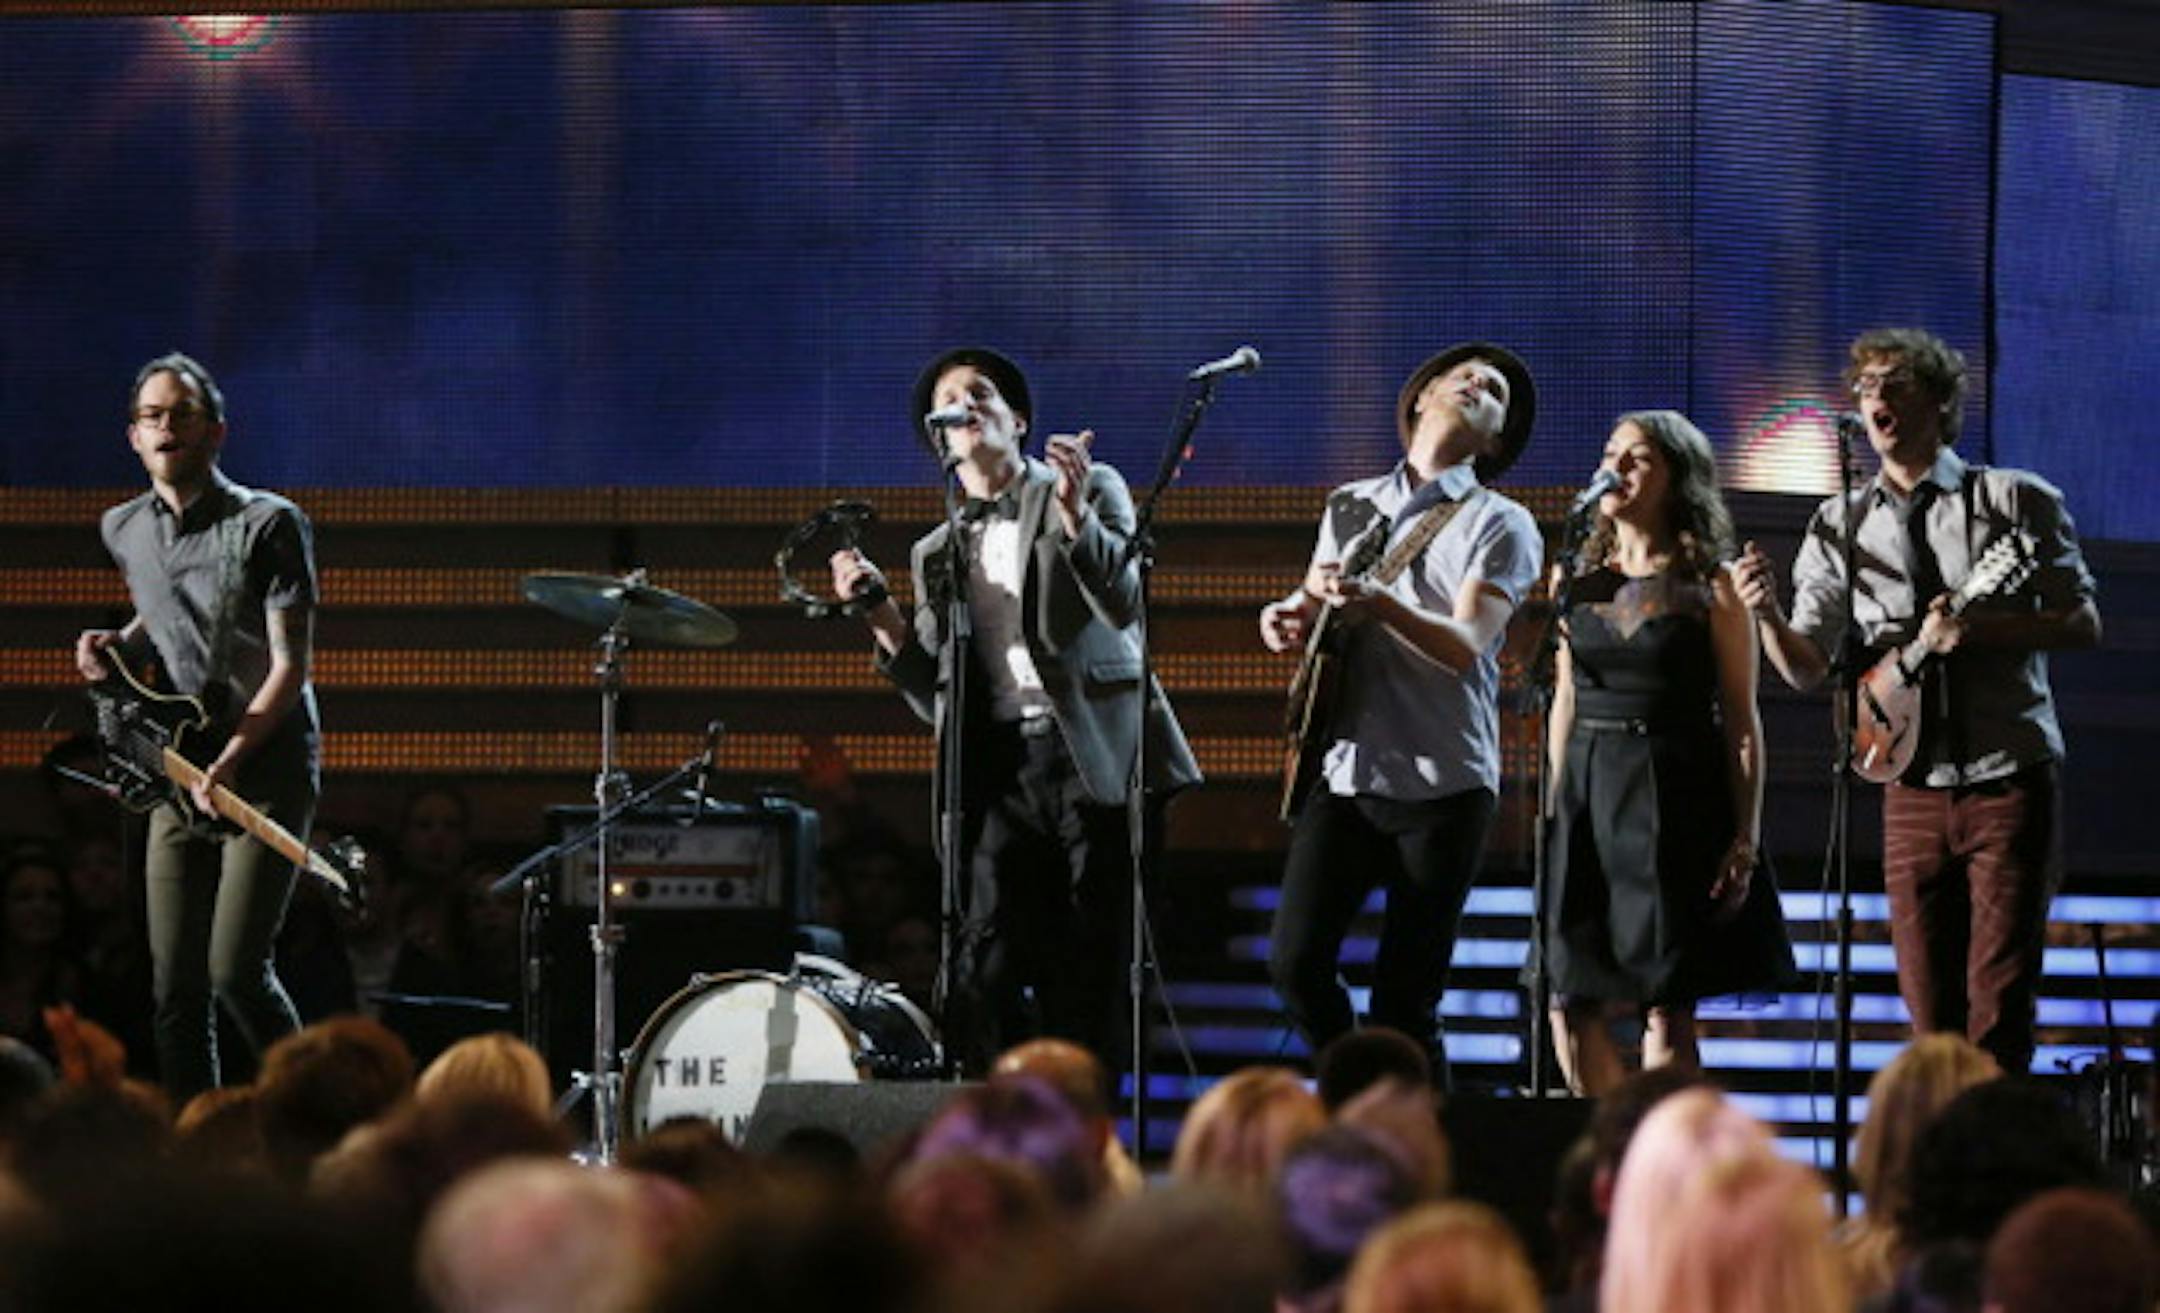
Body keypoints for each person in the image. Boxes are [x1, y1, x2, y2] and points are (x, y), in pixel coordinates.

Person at [1736, 328, 2101, 1074]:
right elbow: (1808, 670)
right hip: (1906, 783)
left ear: (1940, 400)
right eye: (1867, 385)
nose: (1877, 398)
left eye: (1897, 382)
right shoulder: (1841, 524)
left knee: (1997, 1005)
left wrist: (1981, 630)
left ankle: (1994, 1174)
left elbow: (2082, 622)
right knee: (1927, 1015)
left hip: (2007, 773)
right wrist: (1765, 614)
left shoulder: (2013, 499)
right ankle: (1936, 1168)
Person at [829, 345, 1201, 1072]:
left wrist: (1073, 515)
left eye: (983, 391)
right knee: (983, 964)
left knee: (1089, 966)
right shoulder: (936, 547)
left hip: (1093, 750)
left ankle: (1085, 1139)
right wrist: (879, 615)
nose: (967, 403)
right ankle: (996, 1116)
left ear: (1018, 419)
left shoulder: (1090, 486)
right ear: (941, 434)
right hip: (1001, 767)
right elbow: (937, 693)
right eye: (951, 397)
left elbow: (1123, 603)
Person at [1259, 343, 1542, 1080]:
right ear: (1419, 399)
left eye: (1497, 394)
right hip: (1348, 770)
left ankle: (1429, 1147)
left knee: (1406, 1002)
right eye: (1465, 377)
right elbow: (1317, 607)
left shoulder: (1501, 522)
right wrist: (1287, 615)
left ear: (1494, 440)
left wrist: (1378, 603)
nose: (1480, 384)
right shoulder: (1351, 503)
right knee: (1294, 965)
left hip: (1445, 782)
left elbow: (1466, 645)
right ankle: (1371, 1096)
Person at [74, 352, 321, 1101]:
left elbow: (290, 664)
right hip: (178, 762)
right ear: (132, 436)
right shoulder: (122, 526)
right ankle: (195, 1146)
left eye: (181, 413)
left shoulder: (269, 522)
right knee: (175, 988)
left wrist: (238, 755)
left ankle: (325, 1112)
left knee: (235, 972)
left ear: (216, 431)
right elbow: (165, 605)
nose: (165, 426)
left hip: (266, 758)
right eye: (152, 415)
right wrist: (118, 647)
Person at [1540, 411, 1794, 1095]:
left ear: (1676, 476)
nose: (1616, 468)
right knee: (1570, 992)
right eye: (1610, 452)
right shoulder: (1580, 578)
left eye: (1639, 457)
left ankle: (1661, 1162)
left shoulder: (1710, 585)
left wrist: (1745, 833)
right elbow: (1565, 698)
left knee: (1665, 1002)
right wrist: (1557, 804)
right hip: (1589, 791)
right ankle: (1605, 1143)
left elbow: (1741, 718)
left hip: (1669, 789)